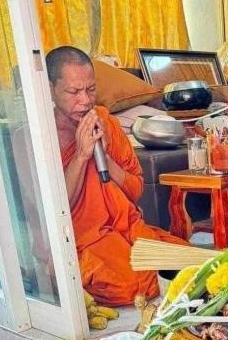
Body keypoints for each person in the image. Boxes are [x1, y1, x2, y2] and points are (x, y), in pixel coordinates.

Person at [46, 46, 185, 306]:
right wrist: (81, 156)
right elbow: (53, 211)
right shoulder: (35, 137)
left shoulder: (106, 123)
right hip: (85, 238)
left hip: (126, 227)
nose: (85, 101)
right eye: (74, 92)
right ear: (51, 89)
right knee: (131, 286)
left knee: (187, 261)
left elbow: (135, 190)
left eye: (90, 89)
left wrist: (106, 159)